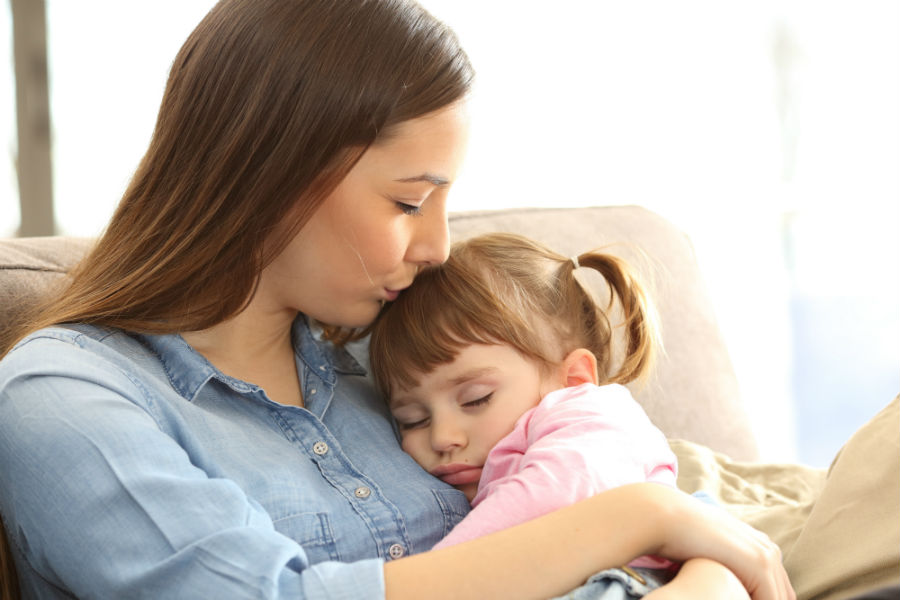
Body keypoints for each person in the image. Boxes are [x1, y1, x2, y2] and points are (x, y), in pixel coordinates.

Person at [0, 1, 793, 599]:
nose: (439, 248)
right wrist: (638, 517)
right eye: (410, 203)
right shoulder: (65, 399)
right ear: (273, 175)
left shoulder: (390, 361)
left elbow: (658, 503)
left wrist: (702, 572)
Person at [368, 232, 754, 598]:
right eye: (413, 419)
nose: (441, 436)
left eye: (475, 399)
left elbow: (555, 492)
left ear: (573, 379)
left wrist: (434, 577)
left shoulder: (592, 417)